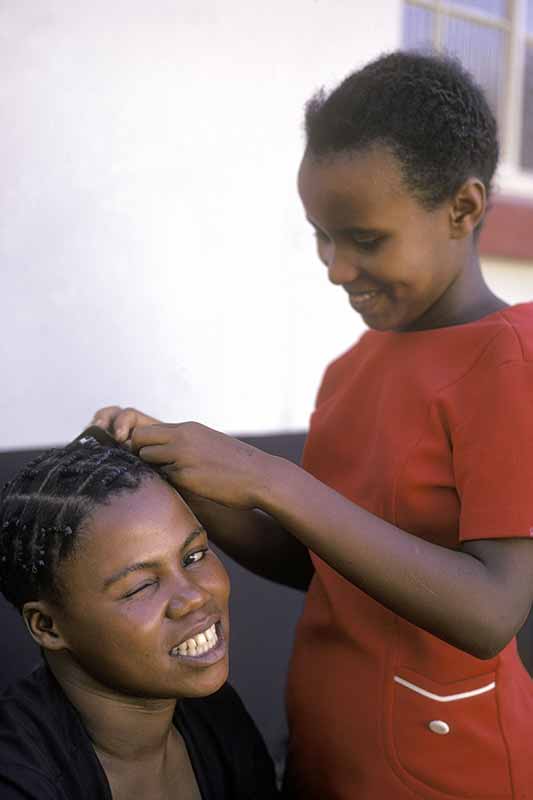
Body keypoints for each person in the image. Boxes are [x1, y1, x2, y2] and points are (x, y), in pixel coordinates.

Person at [92, 51, 533, 799]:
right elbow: (318, 565)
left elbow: (491, 611)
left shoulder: (509, 360)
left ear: (462, 209)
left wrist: (265, 476)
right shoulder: (350, 369)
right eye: (320, 235)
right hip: (329, 741)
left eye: (364, 239)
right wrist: (183, 477)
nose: (333, 266)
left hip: (445, 764)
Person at [0, 429, 278, 799]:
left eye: (193, 556)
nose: (193, 597)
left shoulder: (215, 716)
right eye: (141, 586)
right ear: (47, 626)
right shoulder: (17, 780)